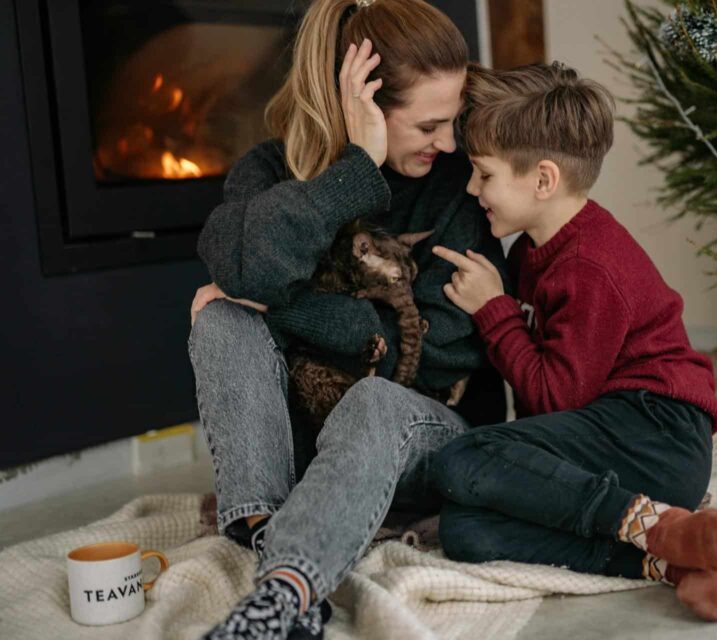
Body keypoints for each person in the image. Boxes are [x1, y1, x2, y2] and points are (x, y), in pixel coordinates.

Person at [187, 1, 508, 638]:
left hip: (422, 440)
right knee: (223, 320)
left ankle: (286, 585)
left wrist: (289, 307)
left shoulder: (454, 186)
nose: (448, 143)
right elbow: (245, 269)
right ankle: (275, 554)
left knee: (375, 399)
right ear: (359, 109)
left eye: (452, 122)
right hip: (315, 471)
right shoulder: (269, 171)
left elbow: (431, 350)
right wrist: (355, 171)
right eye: (428, 127)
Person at [429, 63, 717, 622]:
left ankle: (658, 525)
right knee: (464, 528)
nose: (471, 188)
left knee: (464, 458)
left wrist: (493, 309)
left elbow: (555, 400)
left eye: (484, 175)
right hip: (615, 440)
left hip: (655, 431)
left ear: (543, 180)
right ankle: (672, 560)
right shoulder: (532, 251)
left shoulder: (591, 265)